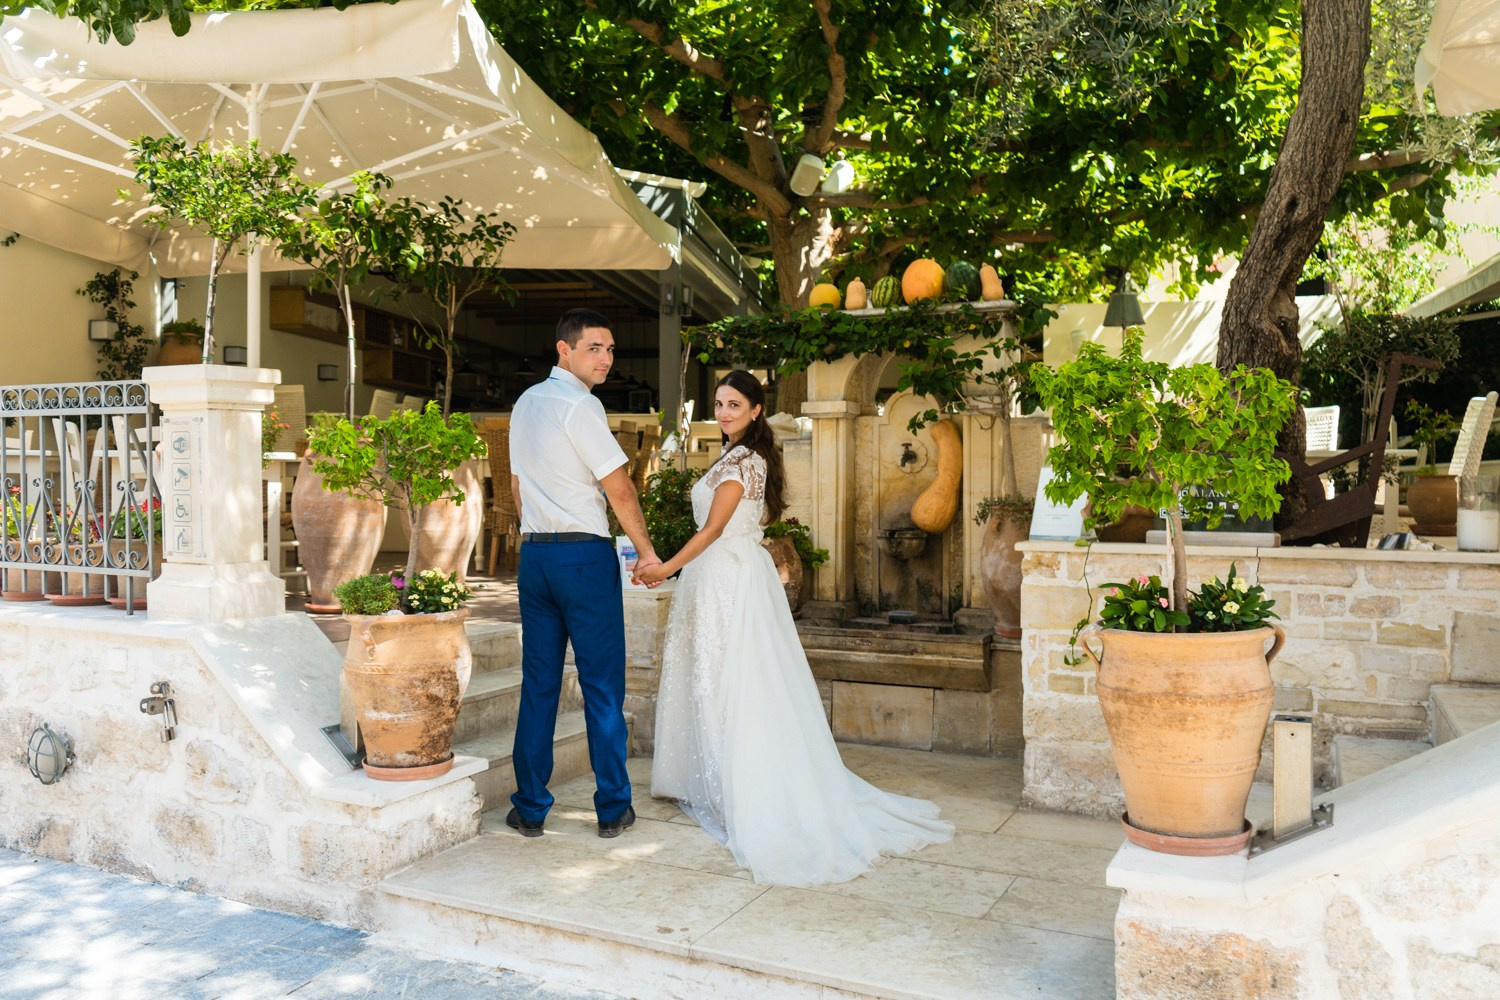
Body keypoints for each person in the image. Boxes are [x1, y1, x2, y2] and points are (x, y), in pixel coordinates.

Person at [637, 371, 953, 885]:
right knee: (718, 678)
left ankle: (743, 785)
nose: (723, 412)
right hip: (718, 576)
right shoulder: (734, 457)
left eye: (734, 405)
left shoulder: (744, 461)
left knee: (733, 681)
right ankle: (709, 775)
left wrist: (664, 567)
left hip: (728, 577)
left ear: (757, 410)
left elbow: (714, 529)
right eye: (718, 404)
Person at [507, 308, 661, 839]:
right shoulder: (581, 406)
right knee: (601, 686)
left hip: (536, 558)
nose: (607, 358)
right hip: (583, 559)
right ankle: (614, 806)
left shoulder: (525, 404)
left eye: (611, 349)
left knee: (539, 686)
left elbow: (517, 490)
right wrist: (647, 555)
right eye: (595, 348)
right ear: (564, 350)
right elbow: (620, 489)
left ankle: (529, 807)